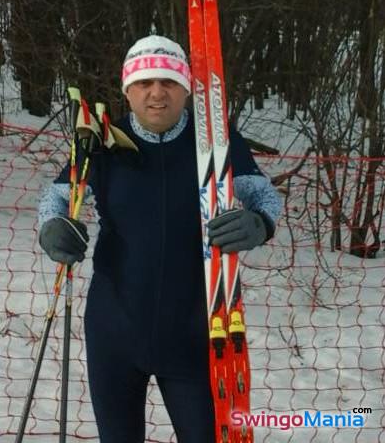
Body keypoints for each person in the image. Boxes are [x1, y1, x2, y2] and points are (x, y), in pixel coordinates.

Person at [38, 35, 282, 443]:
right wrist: (52, 226)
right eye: (144, 83)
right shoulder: (102, 142)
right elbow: (59, 194)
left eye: (168, 82)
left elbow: (263, 193)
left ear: (186, 88)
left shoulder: (216, 140)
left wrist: (259, 222)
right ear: (127, 91)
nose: (156, 93)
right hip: (115, 330)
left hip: (195, 332)